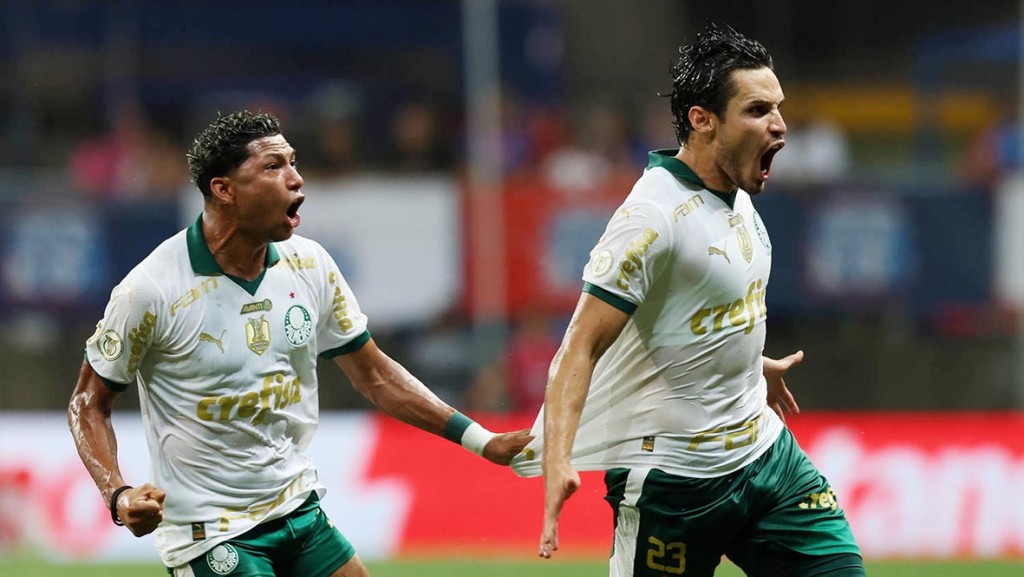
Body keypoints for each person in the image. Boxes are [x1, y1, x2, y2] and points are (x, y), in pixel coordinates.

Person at [67, 110, 531, 577]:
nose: (296, 178)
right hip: (210, 532)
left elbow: (375, 375)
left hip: (297, 508)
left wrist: (482, 440)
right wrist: (119, 495)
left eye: (293, 162)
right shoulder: (150, 289)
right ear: (224, 189)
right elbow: (88, 402)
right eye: (273, 167)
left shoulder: (309, 264)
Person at [510, 23, 866, 577]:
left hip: (766, 459)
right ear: (703, 120)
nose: (779, 125)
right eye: (757, 110)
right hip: (674, 485)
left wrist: (748, 362)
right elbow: (579, 347)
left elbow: (694, 310)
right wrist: (558, 458)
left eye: (778, 108)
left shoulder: (735, 191)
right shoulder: (651, 218)